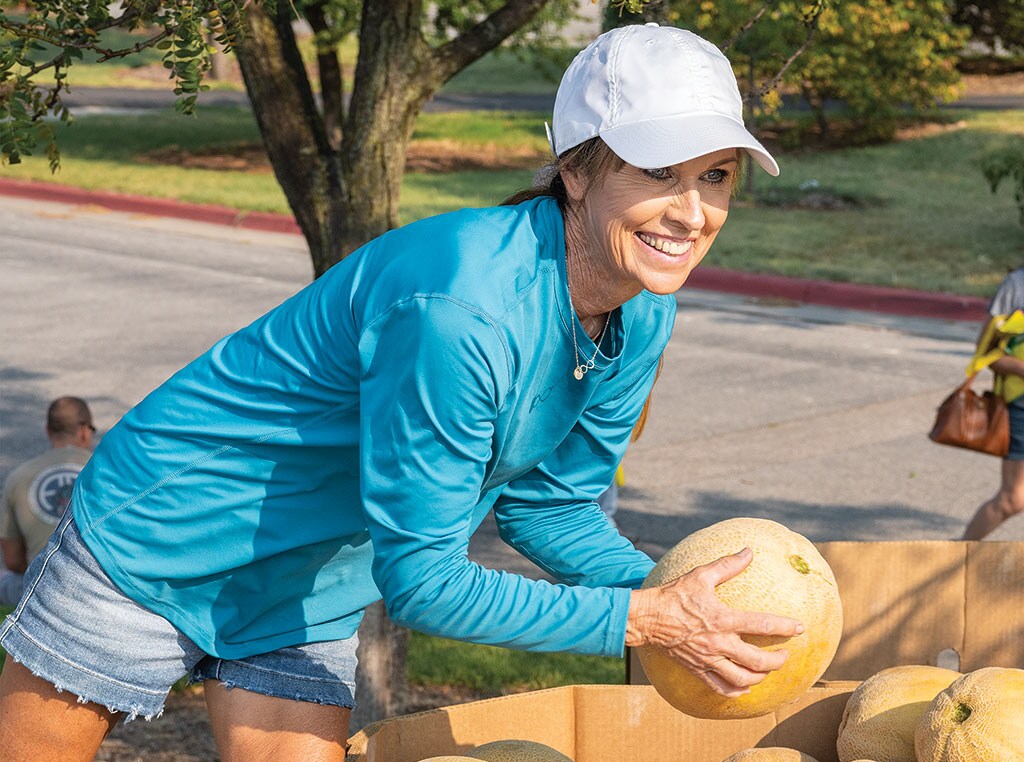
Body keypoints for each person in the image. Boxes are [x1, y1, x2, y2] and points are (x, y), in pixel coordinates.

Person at [0, 24, 802, 762]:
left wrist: (683, 598)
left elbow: (550, 508)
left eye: (717, 176)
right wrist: (645, 620)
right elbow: (425, 583)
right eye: (658, 171)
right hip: (168, 529)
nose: (693, 212)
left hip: (312, 578)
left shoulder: (643, 310)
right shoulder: (458, 308)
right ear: (576, 169)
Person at [0, 396, 95, 606]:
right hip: (96, 589)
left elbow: (13, 560)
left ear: (48, 430)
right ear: (84, 431)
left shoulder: (19, 477)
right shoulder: (106, 473)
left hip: (40, 588)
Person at [963, 266, 1024, 540]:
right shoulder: (1017, 285)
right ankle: (956, 557)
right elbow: (986, 353)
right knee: (1013, 499)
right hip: (1020, 404)